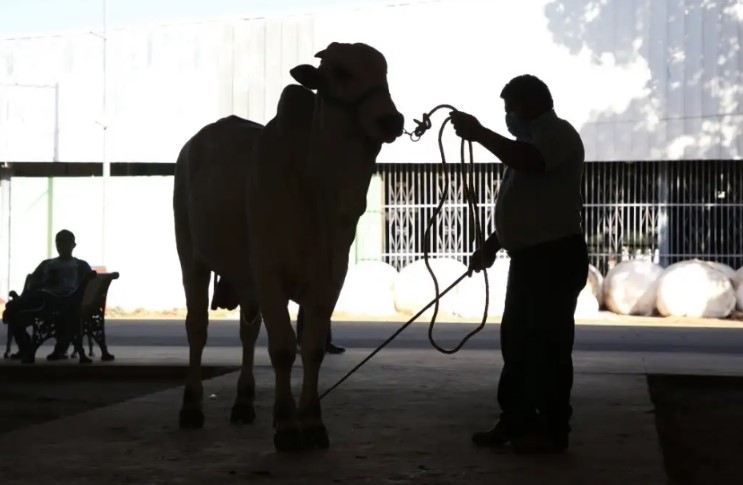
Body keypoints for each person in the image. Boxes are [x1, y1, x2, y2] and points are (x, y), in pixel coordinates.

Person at [450, 74, 588, 454]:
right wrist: (493, 245)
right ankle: (517, 419)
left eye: (510, 109)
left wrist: (481, 134)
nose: (508, 117)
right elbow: (525, 205)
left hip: (555, 258)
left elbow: (533, 163)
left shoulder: (557, 135)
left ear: (528, 105)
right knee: (518, 343)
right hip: (530, 259)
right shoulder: (525, 143)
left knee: (549, 346)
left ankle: (553, 427)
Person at [2, 230, 94, 364]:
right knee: (13, 310)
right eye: (59, 243)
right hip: (42, 300)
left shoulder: (80, 265)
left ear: (73, 245)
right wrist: (46, 282)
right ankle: (26, 347)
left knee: (66, 312)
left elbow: (85, 289)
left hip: (65, 302)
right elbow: (33, 283)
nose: (61, 246)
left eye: (65, 243)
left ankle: (60, 348)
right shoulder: (47, 264)